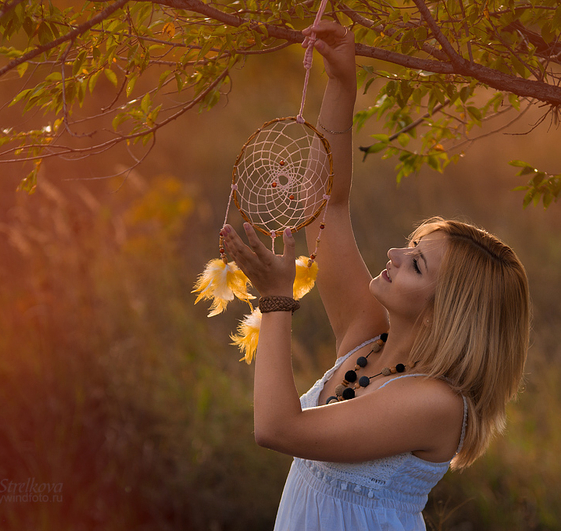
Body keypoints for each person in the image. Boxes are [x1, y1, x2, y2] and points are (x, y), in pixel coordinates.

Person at [219, 20, 531, 531]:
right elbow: (328, 204)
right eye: (411, 247)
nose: (394, 254)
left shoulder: (435, 403)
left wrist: (276, 298)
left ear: (448, 311)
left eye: (416, 263)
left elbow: (277, 428)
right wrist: (342, 83)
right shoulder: (368, 342)